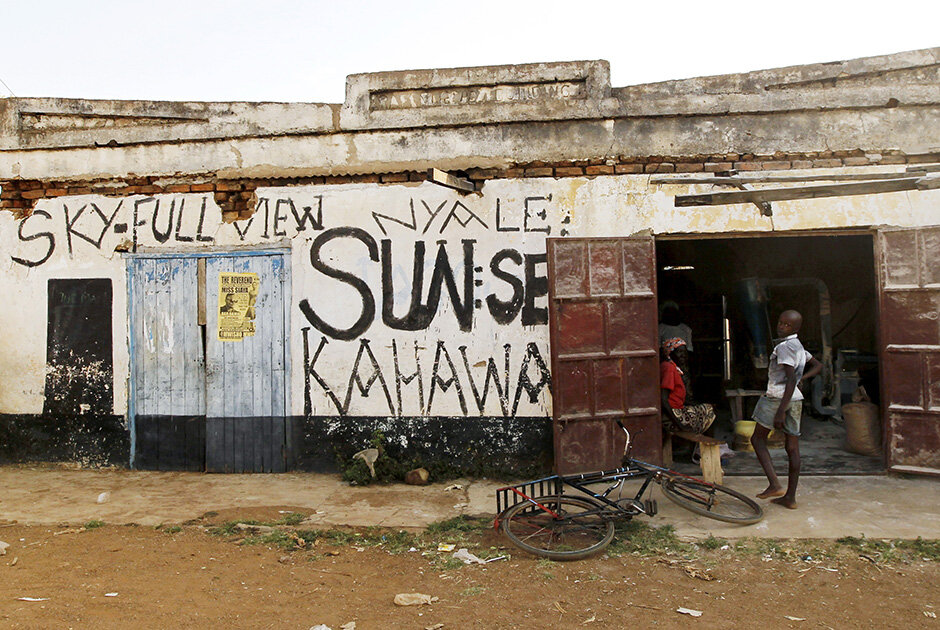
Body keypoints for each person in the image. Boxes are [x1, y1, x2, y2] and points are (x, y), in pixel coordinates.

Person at [751, 309, 823, 509]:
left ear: (796, 328)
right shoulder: (798, 346)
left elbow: (790, 378)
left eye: (787, 325)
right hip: (797, 400)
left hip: (777, 399)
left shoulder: (783, 348)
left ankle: (774, 484)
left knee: (757, 439)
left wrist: (782, 410)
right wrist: (803, 379)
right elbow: (818, 365)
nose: (781, 326)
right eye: (780, 322)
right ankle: (790, 498)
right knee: (792, 448)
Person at [660, 338, 715, 435]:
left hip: (675, 409)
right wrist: (680, 425)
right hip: (672, 415)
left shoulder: (672, 367)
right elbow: (664, 400)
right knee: (709, 412)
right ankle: (698, 445)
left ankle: (696, 445)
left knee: (706, 408)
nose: (683, 356)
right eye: (680, 352)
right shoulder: (669, 369)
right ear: (670, 353)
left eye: (685, 352)